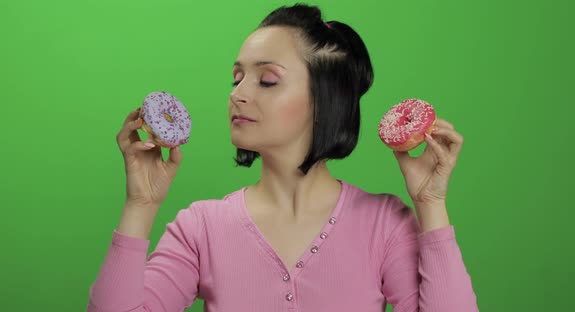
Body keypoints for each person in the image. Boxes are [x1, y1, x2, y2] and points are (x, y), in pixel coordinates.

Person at [88, 4, 478, 312]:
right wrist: (140, 205)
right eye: (237, 77)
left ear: (324, 100)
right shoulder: (201, 228)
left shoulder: (384, 225)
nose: (237, 94)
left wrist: (431, 205)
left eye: (267, 80)